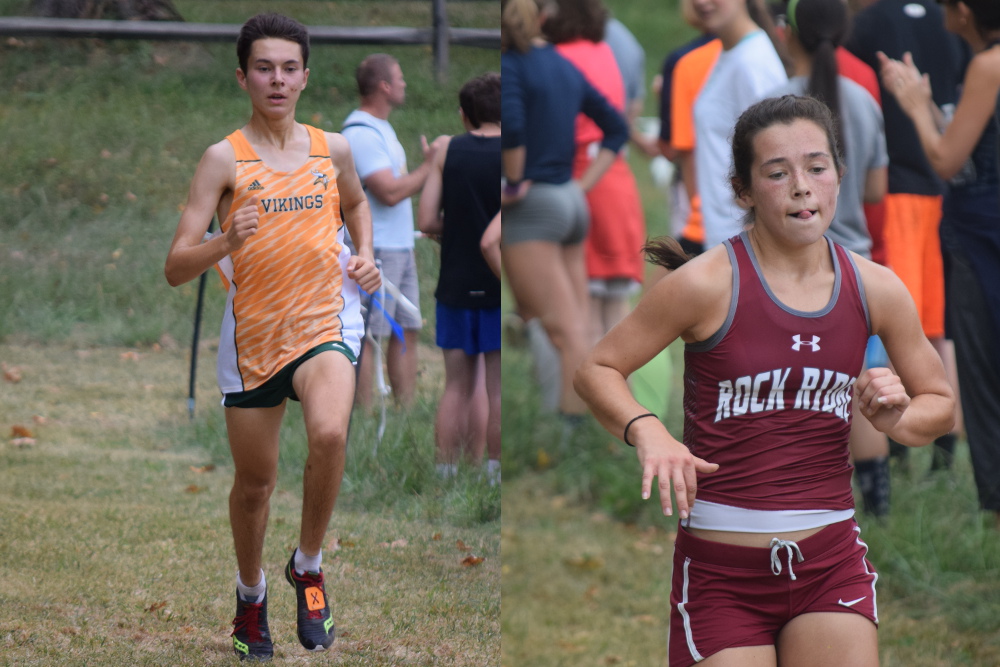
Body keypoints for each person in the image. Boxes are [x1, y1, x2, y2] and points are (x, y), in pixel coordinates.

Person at [575, 95, 955, 666]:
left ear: (838, 177)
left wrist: (896, 417)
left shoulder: (875, 287)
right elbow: (597, 368)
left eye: (816, 167)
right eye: (778, 173)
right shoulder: (707, 283)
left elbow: (940, 404)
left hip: (829, 560)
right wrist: (647, 429)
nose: (802, 186)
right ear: (744, 191)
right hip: (721, 572)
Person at [163, 13, 381, 660]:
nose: (277, 79)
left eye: (289, 68)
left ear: (306, 76)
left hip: (325, 320)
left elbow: (358, 204)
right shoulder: (222, 159)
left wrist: (365, 252)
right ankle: (250, 592)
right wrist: (223, 241)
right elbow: (176, 266)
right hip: (253, 335)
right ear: (243, 77)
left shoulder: (332, 148)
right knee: (255, 485)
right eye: (264, 68)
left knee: (331, 432)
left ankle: (308, 564)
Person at [768, 0, 892, 515]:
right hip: (857, 263)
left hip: (788, 269)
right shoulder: (864, 99)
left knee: (790, 389)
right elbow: (877, 190)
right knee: (866, 390)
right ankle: (878, 506)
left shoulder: (774, 108)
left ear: (786, 32)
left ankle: (793, 494)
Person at [879, 0, 1000, 525]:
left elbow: (947, 160)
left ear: (966, 12)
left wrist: (912, 108)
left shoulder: (989, 64)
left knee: (983, 376)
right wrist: (930, 106)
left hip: (983, 238)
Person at [845, 0, 969, 472]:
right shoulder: (952, 20)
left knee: (894, 327)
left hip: (894, 193)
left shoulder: (868, 25)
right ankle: (944, 454)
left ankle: (895, 450)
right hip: (941, 192)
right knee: (937, 329)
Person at [501, 0, 628, 425]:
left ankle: (572, 433)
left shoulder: (513, 65)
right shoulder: (561, 64)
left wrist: (514, 182)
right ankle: (586, 424)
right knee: (579, 325)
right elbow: (617, 127)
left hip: (534, 209)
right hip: (570, 202)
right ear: (542, 16)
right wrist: (582, 186)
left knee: (565, 328)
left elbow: (513, 126)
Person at [341, 53, 447, 410]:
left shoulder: (382, 128)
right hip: (377, 249)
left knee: (408, 328)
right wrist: (430, 166)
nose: (404, 84)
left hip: (399, 248)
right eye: (399, 78)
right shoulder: (360, 133)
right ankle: (365, 413)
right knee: (372, 334)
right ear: (384, 86)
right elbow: (389, 192)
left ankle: (405, 411)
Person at [544, 0, 647, 343]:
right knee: (617, 320)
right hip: (616, 182)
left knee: (581, 319)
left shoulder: (558, 58)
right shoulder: (603, 48)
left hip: (581, 184)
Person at [416, 72, 501, 483]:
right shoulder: (515, 155)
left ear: (464, 116)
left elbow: (427, 218)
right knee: (495, 387)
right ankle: (493, 474)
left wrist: (460, 227)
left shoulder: (447, 149)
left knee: (456, 386)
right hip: (500, 285)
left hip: (453, 284)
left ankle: (445, 473)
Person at [691, 0, 789, 250]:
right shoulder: (731, 53)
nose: (701, 2)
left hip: (744, 241)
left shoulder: (753, 63)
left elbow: (779, 150)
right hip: (723, 237)